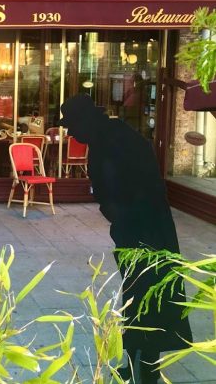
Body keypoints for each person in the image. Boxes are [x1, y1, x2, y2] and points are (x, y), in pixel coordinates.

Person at [58, 94, 192, 383]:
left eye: (72, 126)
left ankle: (148, 367)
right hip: (135, 228)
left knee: (151, 296)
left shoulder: (115, 140)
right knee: (136, 295)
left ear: (85, 120)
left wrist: (122, 217)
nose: (71, 133)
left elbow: (133, 189)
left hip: (147, 232)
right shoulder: (107, 137)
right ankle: (134, 361)